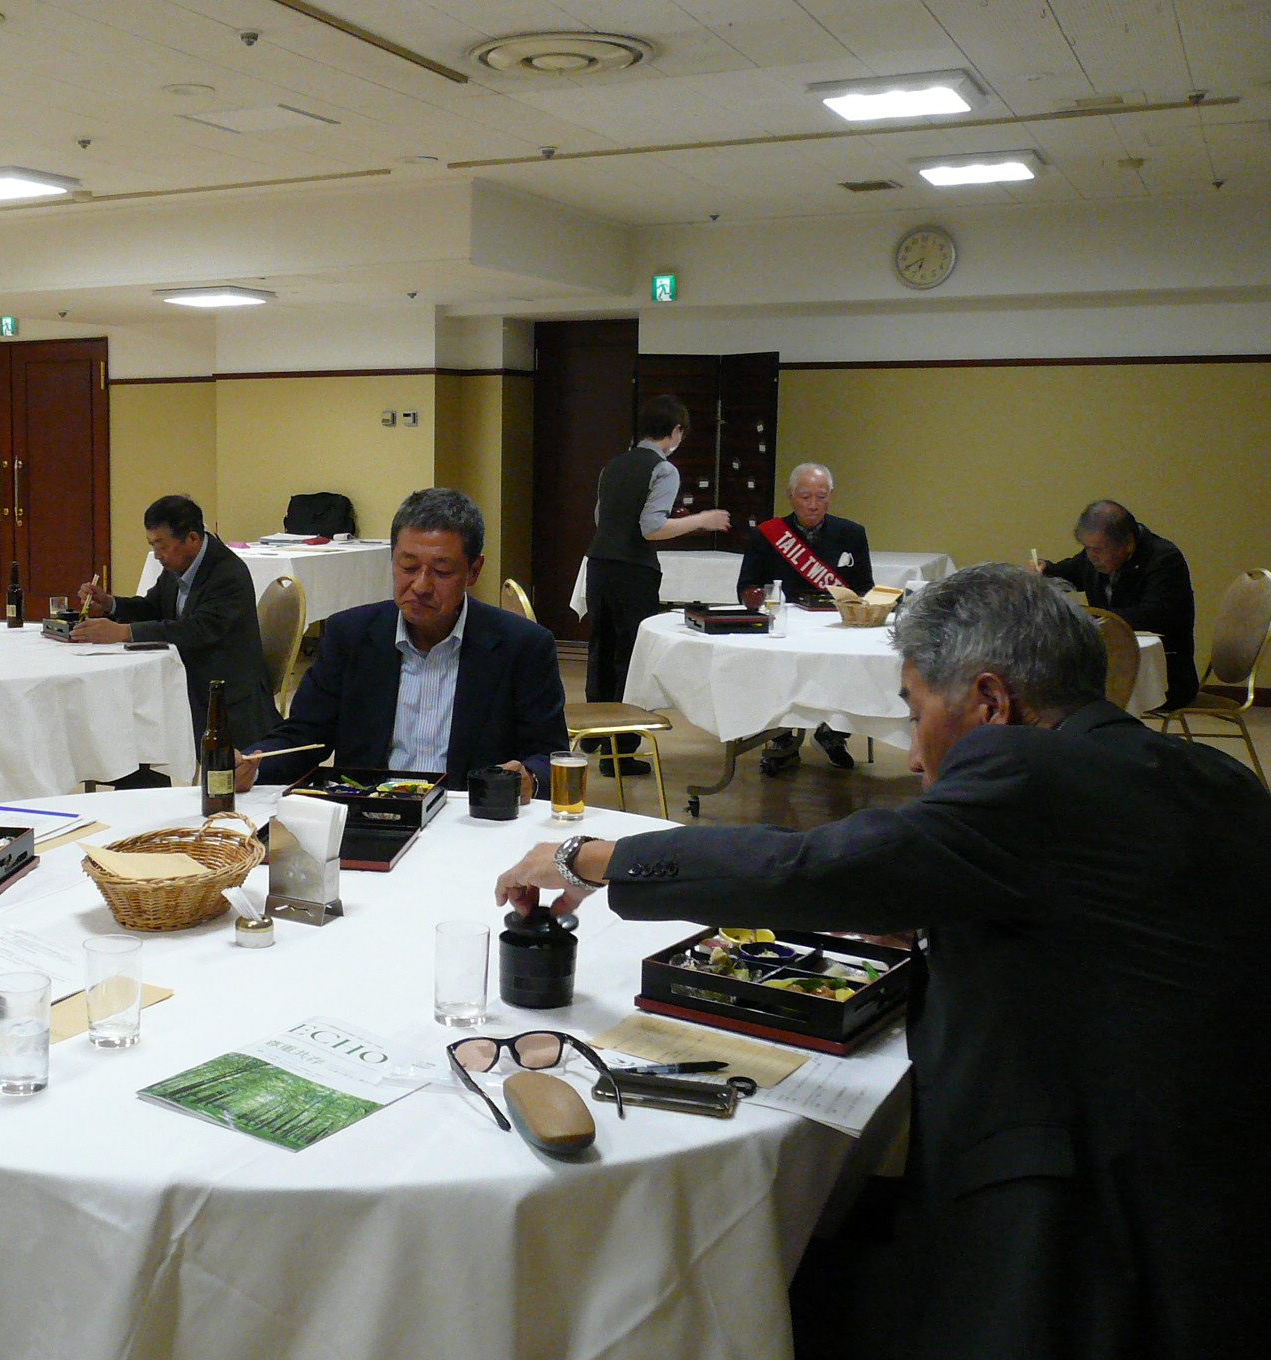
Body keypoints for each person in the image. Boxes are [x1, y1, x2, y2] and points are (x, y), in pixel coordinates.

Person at [494, 563, 1270, 1359]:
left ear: (991, 703)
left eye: (914, 711)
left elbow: (813, 868)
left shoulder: (1030, 773)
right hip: (1223, 1207)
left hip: (1094, 1238)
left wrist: (592, 857)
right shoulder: (1212, 776)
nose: (911, 756)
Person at [237, 488, 567, 800]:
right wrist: (251, 764)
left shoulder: (522, 645)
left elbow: (549, 758)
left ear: (473, 571)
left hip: (469, 817)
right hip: (371, 812)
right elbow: (304, 737)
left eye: (441, 571)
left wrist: (529, 778)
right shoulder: (350, 635)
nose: (420, 586)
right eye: (408, 567)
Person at [580, 395, 730, 776]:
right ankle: (620, 753)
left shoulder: (613, 465)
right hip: (633, 572)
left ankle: (593, 733)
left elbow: (601, 517)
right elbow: (652, 528)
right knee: (630, 658)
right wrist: (701, 520)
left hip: (598, 565)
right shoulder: (664, 470)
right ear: (675, 431)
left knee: (601, 649)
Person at [73, 494, 280, 748]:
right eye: (152, 545)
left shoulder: (227, 574)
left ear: (192, 538)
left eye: (162, 546)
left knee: (135, 717)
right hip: (187, 673)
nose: (157, 555)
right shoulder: (180, 563)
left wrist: (124, 632)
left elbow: (198, 629)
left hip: (224, 691)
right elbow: (154, 607)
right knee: (125, 714)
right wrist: (110, 604)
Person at [737, 462, 875, 772]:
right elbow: (746, 586)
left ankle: (834, 734)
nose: (813, 505)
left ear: (831, 496)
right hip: (786, 629)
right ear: (790, 496)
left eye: (821, 497)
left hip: (836, 628)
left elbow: (864, 587)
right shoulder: (766, 535)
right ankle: (781, 737)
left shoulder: (852, 533)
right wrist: (753, 596)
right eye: (805, 497)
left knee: (854, 666)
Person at [1030, 499, 1197, 710]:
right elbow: (1068, 572)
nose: (1092, 557)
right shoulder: (1095, 555)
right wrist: (1045, 569)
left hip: (1162, 677)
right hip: (1107, 668)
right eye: (1087, 548)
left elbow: (1153, 615)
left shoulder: (1164, 559)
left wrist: (1090, 618)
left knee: (1071, 696)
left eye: (1098, 549)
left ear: (1129, 543)